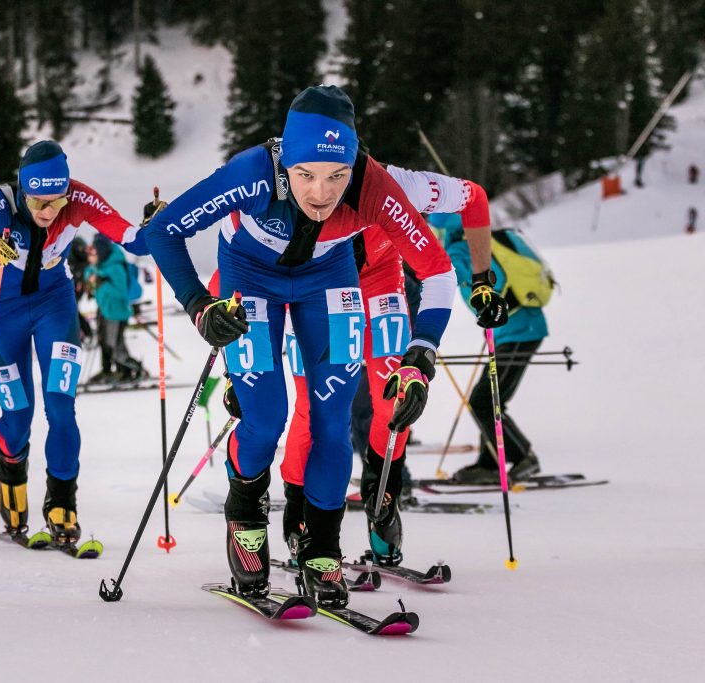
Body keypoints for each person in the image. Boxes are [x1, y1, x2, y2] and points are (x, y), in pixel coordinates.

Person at [143, 85, 456, 607]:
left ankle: (322, 548)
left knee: (332, 419)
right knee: (266, 418)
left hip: (329, 281)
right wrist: (200, 306)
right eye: (306, 174)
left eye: (336, 175)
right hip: (250, 279)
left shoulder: (373, 186)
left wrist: (420, 355)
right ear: (286, 160)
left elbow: (438, 272)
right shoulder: (251, 173)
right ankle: (246, 521)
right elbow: (163, 232)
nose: (321, 192)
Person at [278, 165, 505, 566]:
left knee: (395, 399)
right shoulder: (291, 188)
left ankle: (382, 498)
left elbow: (474, 197)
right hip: (317, 293)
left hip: (381, 288)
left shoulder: (401, 186)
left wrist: (483, 280)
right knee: (312, 408)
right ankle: (299, 512)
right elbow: (239, 250)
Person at [0, 139, 147, 545]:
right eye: (37, 201)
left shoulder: (78, 197)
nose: (47, 211)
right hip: (4, 309)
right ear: (23, 189)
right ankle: (12, 484)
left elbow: (131, 237)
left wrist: (157, 224)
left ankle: (61, 503)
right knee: (17, 414)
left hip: (54, 305)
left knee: (60, 406)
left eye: (56, 202)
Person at [432, 214, 548, 484]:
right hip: (514, 329)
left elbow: (444, 275)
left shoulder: (460, 249)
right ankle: (491, 462)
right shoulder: (475, 242)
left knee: (485, 400)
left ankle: (524, 457)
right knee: (487, 399)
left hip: (519, 331)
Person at [85, 234, 147, 383]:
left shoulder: (115, 266)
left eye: (95, 249)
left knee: (115, 345)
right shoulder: (101, 265)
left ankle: (133, 369)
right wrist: (93, 279)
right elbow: (91, 278)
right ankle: (114, 371)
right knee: (105, 342)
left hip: (117, 312)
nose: (93, 252)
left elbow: (121, 292)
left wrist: (101, 283)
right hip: (105, 310)